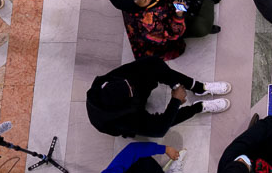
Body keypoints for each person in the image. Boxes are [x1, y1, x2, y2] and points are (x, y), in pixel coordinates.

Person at [86, 58, 231, 137]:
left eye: (129, 84)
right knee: (161, 123)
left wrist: (175, 85)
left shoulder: (111, 80)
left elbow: (152, 63)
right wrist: (175, 101)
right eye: (131, 89)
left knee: (153, 66)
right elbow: (159, 129)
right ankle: (198, 107)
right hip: (127, 116)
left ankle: (199, 88)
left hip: (129, 98)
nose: (132, 85)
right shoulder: (120, 119)